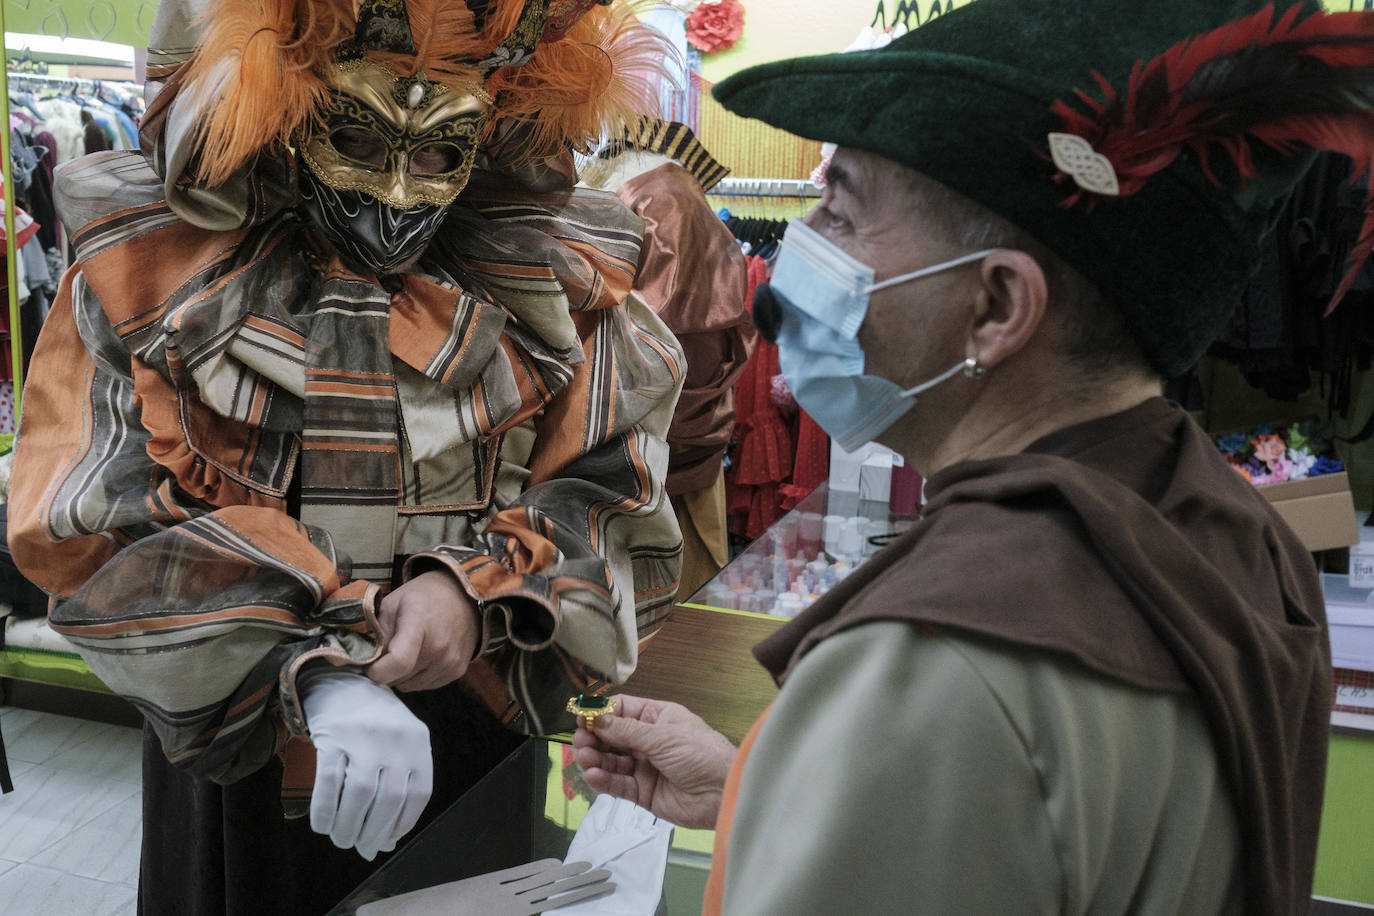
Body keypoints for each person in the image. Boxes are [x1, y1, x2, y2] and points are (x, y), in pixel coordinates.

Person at [573, 0, 1369, 912]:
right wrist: (766, 787)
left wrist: (845, 768)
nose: (797, 260)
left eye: (840, 209)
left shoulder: (930, 660)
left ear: (996, 308)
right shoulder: (1234, 531)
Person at [7, 1, 684, 913]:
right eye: (359, 138)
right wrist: (307, 669)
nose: (402, 192)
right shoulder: (150, 270)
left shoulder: (557, 286)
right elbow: (87, 522)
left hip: (470, 715)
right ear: (290, 116)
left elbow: (611, 489)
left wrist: (474, 589)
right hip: (235, 729)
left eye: (441, 150)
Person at [580, 119, 756, 598]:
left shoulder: (666, 200)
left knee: (667, 609)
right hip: (598, 440)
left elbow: (684, 344)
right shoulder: (650, 190)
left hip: (649, 448)